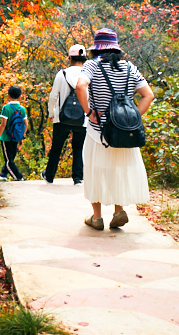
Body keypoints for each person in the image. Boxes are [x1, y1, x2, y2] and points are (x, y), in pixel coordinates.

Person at [74, 29, 155, 231]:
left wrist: (88, 111)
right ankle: (118, 211)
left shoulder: (92, 65)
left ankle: (97, 217)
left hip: (98, 130)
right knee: (118, 170)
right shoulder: (129, 67)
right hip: (123, 132)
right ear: (116, 48)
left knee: (95, 170)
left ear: (96, 48)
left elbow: (80, 86)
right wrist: (132, 118)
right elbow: (148, 95)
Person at [43, 44, 88, 184]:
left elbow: (53, 96)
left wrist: (51, 113)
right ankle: (77, 178)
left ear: (69, 58)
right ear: (84, 59)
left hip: (61, 118)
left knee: (56, 147)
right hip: (83, 118)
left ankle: (49, 175)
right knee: (79, 147)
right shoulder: (88, 75)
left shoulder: (62, 74)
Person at [0, 85, 28, 181]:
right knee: (10, 158)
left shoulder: (6, 108)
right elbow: (26, 125)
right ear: (20, 96)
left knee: (9, 160)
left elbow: (3, 124)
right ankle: (3, 174)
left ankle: (18, 177)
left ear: (8, 96)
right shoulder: (22, 109)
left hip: (6, 138)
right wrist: (22, 137)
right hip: (16, 137)